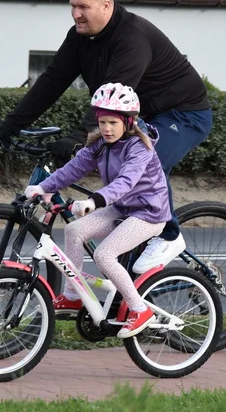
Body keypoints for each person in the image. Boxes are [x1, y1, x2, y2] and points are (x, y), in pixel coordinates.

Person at [0, 0, 212, 273]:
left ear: (106, 5)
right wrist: (11, 124)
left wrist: (80, 136)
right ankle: (128, 275)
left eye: (83, 7)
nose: (76, 13)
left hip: (183, 114)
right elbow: (52, 81)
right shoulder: (79, 37)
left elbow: (112, 96)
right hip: (137, 116)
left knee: (144, 161)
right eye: (72, 6)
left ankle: (169, 235)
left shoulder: (132, 38)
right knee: (119, 184)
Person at [22, 83, 171, 338]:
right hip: (122, 208)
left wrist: (94, 201)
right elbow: (72, 169)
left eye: (113, 122)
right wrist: (42, 187)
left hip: (148, 213)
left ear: (128, 122)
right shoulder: (101, 144)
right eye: (102, 122)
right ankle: (73, 295)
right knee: (74, 230)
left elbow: (126, 181)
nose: (107, 128)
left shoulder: (139, 147)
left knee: (104, 255)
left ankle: (139, 309)